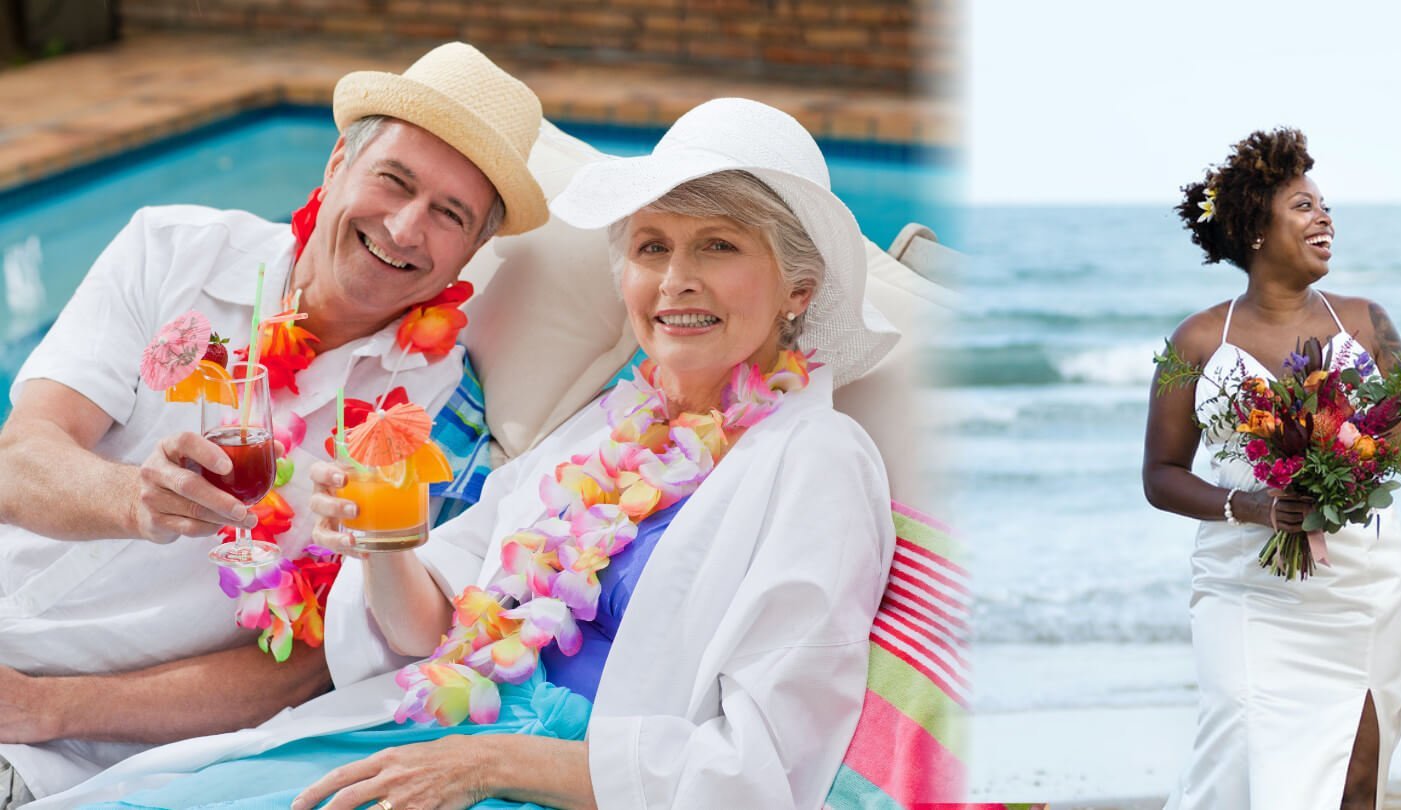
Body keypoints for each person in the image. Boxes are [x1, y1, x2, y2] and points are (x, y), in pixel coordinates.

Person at [32, 97, 900, 810]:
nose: (676, 278)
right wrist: (386, 544)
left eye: (718, 244)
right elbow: (433, 622)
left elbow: (763, 771)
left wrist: (492, 764)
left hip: (556, 781)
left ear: (798, 291)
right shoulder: (606, 428)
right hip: (432, 729)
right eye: (651, 246)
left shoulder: (819, 462)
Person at [0, 43, 547, 805]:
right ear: (335, 165)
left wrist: (44, 708)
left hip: (67, 749)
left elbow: (306, 664)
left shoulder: (429, 415)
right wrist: (134, 499)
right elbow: (20, 456)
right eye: (394, 180)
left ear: (472, 253)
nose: (405, 226)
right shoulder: (173, 249)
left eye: (449, 215)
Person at [1142, 128, 1401, 810]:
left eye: (1324, 205)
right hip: (1245, 592)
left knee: (1356, 777)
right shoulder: (1195, 341)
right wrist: (1252, 507)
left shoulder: (1367, 322)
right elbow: (1161, 476)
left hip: (1364, 586)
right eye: (1302, 205)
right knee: (1239, 760)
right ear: (1256, 231)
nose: (1325, 217)